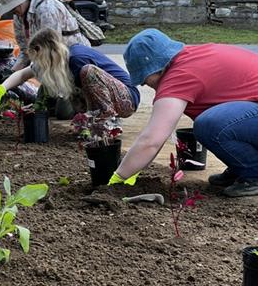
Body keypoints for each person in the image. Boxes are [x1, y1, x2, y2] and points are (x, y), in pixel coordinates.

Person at [108, 28, 258, 197]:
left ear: (154, 68)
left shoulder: (179, 76)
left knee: (209, 124)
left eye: (143, 77)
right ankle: (242, 167)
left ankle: (253, 172)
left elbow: (151, 141)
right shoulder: (191, 57)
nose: (143, 84)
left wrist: (118, 178)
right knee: (215, 120)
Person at [0, 27, 140, 119]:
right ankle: (94, 121)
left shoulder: (76, 58)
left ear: (42, 50)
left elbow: (93, 86)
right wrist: (1, 88)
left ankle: (104, 121)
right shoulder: (57, 61)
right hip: (112, 98)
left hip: (127, 98)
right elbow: (22, 75)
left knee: (88, 72)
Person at [0, 0, 90, 73]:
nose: (12, 12)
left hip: (74, 59)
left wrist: (23, 74)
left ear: (21, 1)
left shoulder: (47, 9)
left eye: (13, 8)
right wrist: (12, 72)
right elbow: (25, 51)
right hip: (50, 59)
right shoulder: (19, 15)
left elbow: (52, 50)